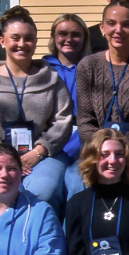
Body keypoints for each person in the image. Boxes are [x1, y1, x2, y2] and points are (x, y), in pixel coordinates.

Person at [0, 6, 76, 212]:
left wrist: (38, 152)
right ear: (2, 41)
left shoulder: (50, 79)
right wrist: (4, 157)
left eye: (29, 38)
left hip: (42, 156)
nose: (22, 44)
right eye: (15, 38)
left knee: (43, 191)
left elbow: (63, 119)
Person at [75, 1, 129, 152]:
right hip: (96, 152)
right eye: (111, 23)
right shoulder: (87, 66)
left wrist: (120, 151)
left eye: (126, 24)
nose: (118, 30)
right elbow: (85, 121)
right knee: (73, 177)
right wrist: (102, 151)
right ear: (102, 28)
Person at [44, 13, 87, 162]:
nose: (69, 39)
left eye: (75, 35)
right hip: (49, 140)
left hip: (83, 141)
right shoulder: (42, 68)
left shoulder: (93, 67)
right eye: (62, 34)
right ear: (53, 37)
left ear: (84, 39)